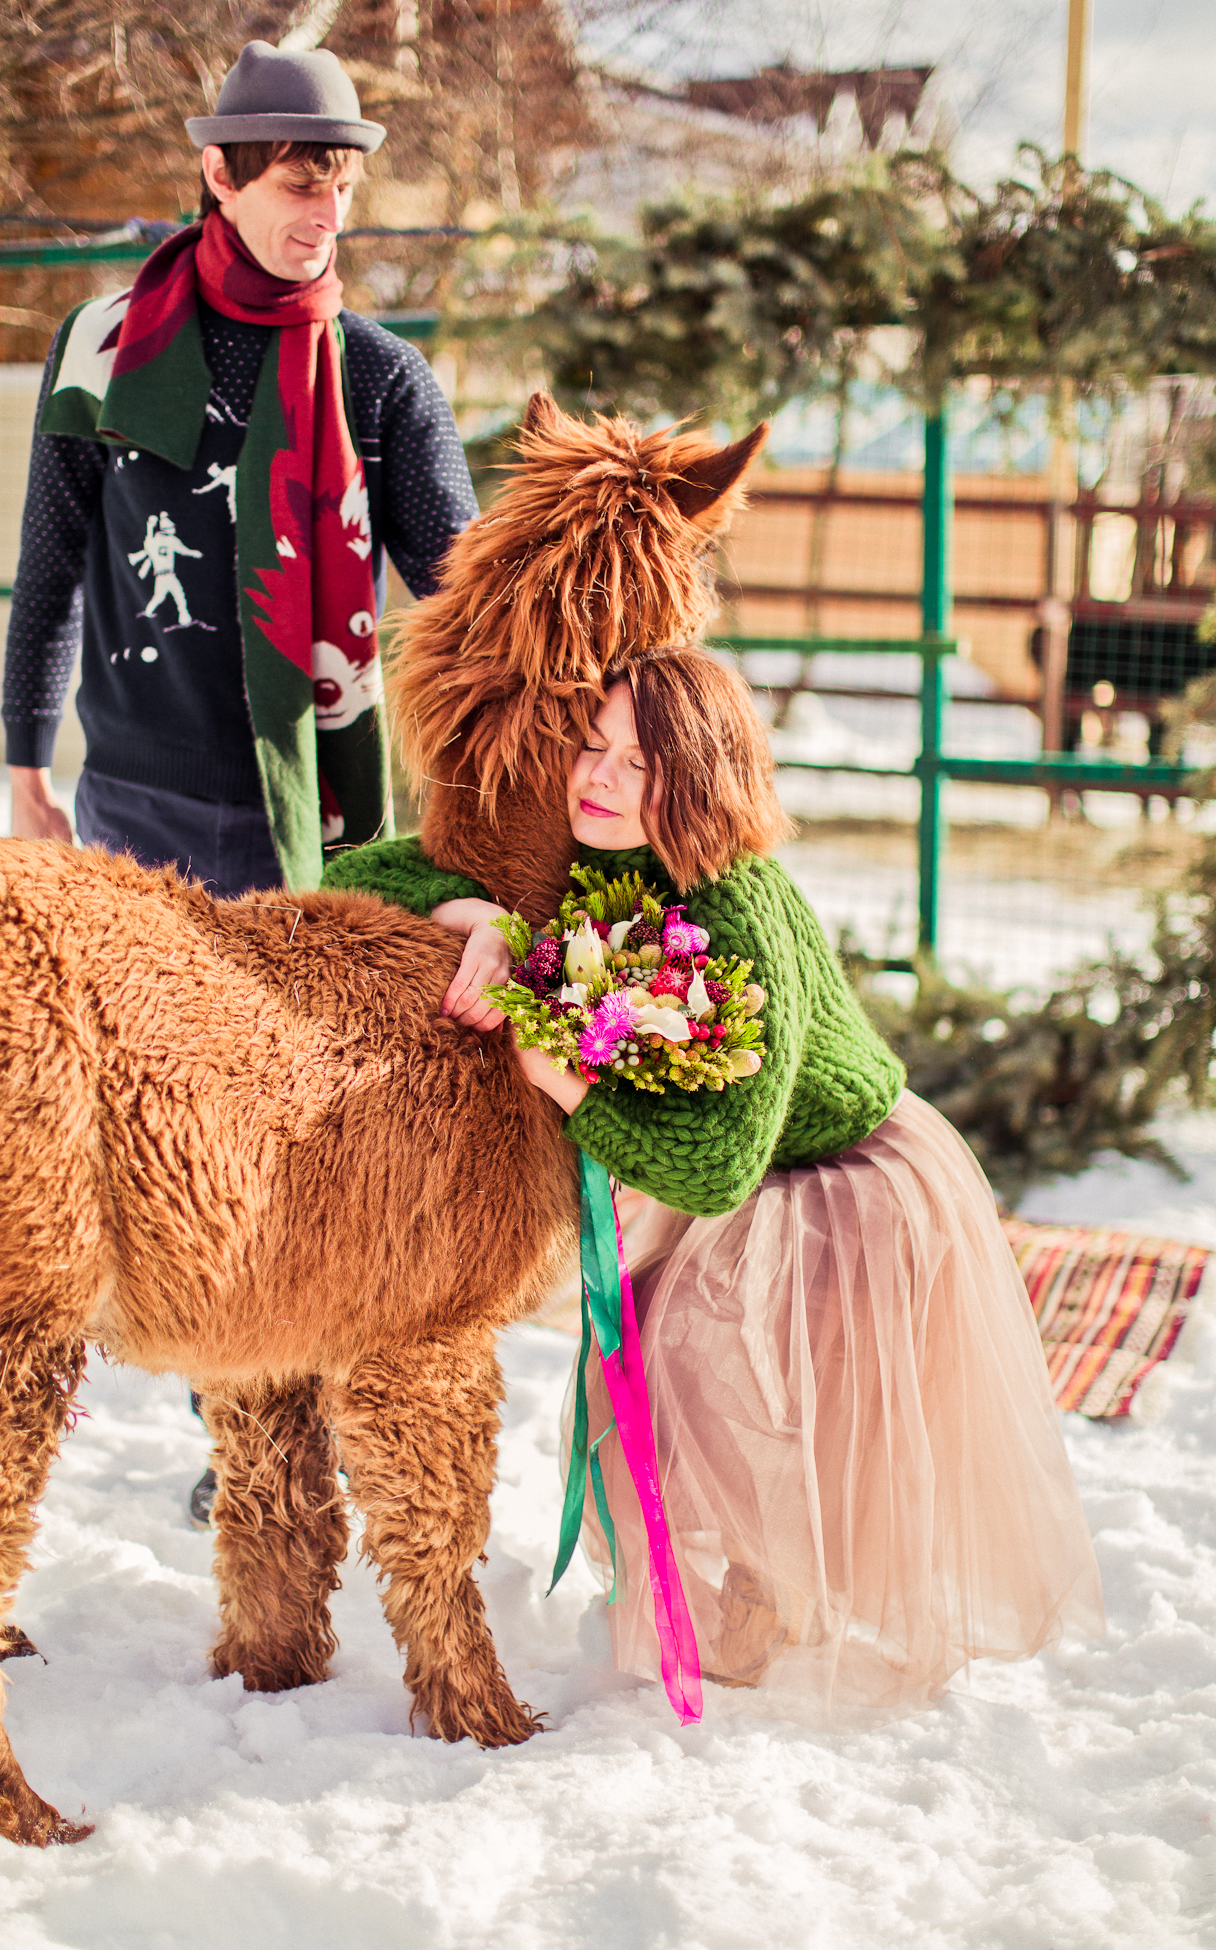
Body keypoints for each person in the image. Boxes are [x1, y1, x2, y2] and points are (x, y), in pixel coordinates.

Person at [333, 642, 1104, 1721]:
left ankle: (772, 1592)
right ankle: (751, 1585)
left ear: (698, 776)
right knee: (666, 1372)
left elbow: (712, 1164)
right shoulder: (603, 853)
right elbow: (354, 873)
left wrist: (568, 1085)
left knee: (759, 1389)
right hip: (746, 1176)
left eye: (639, 764)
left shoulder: (736, 904)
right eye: (591, 750)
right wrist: (479, 918)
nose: (599, 781)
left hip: (848, 1179)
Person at [3, 38, 477, 900]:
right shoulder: (98, 346)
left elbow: (472, 602)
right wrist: (24, 771)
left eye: (344, 188)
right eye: (302, 184)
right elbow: (51, 565)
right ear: (221, 175)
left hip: (317, 820)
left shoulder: (380, 376)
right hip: (131, 812)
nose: (331, 215)